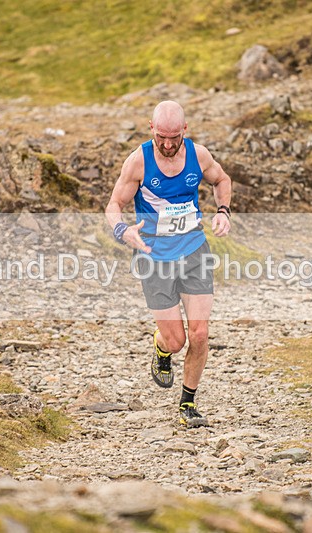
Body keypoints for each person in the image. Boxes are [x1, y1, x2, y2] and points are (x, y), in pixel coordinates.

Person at [105, 100, 232, 427]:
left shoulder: (198, 155)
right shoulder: (139, 162)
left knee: (200, 333)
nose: (167, 143)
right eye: (161, 136)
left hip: (194, 251)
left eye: (173, 137)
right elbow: (114, 204)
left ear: (184, 131)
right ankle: (162, 351)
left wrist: (223, 211)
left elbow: (222, 180)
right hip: (154, 257)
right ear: (152, 128)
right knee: (176, 341)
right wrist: (123, 230)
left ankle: (187, 404)